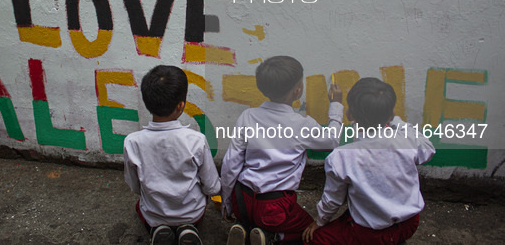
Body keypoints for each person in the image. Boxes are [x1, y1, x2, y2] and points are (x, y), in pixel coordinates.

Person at [221, 56, 344, 245]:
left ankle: (245, 227)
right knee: (310, 231)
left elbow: (230, 164)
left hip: (242, 200)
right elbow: (332, 141)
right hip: (275, 207)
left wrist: (227, 204)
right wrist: (336, 105)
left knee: (254, 216)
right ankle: (272, 236)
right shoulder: (302, 124)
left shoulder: (248, 116)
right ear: (297, 91)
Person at [303, 77, 436, 245]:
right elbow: (428, 147)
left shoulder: (341, 157)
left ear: (349, 114)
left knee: (314, 240)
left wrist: (320, 221)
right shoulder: (407, 141)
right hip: (409, 223)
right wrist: (396, 121)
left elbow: (333, 200)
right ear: (390, 114)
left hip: (367, 234)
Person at [123, 65, 221, 245]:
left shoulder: (132, 142)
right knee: (198, 206)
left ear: (146, 103)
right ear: (181, 105)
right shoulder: (196, 140)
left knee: (140, 208)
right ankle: (188, 229)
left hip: (154, 214)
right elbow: (212, 187)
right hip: (192, 213)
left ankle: (159, 229)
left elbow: (135, 187)